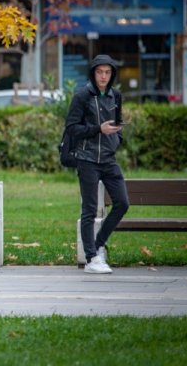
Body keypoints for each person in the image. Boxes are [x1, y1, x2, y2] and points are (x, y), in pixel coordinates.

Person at [64, 54, 129, 274]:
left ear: (112, 74)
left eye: (107, 72)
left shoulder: (115, 95)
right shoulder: (82, 96)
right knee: (89, 210)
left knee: (122, 203)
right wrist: (97, 129)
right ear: (93, 73)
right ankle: (91, 259)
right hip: (87, 159)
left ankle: (99, 243)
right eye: (99, 72)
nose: (103, 76)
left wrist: (116, 139)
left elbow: (117, 124)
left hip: (109, 160)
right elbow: (72, 128)